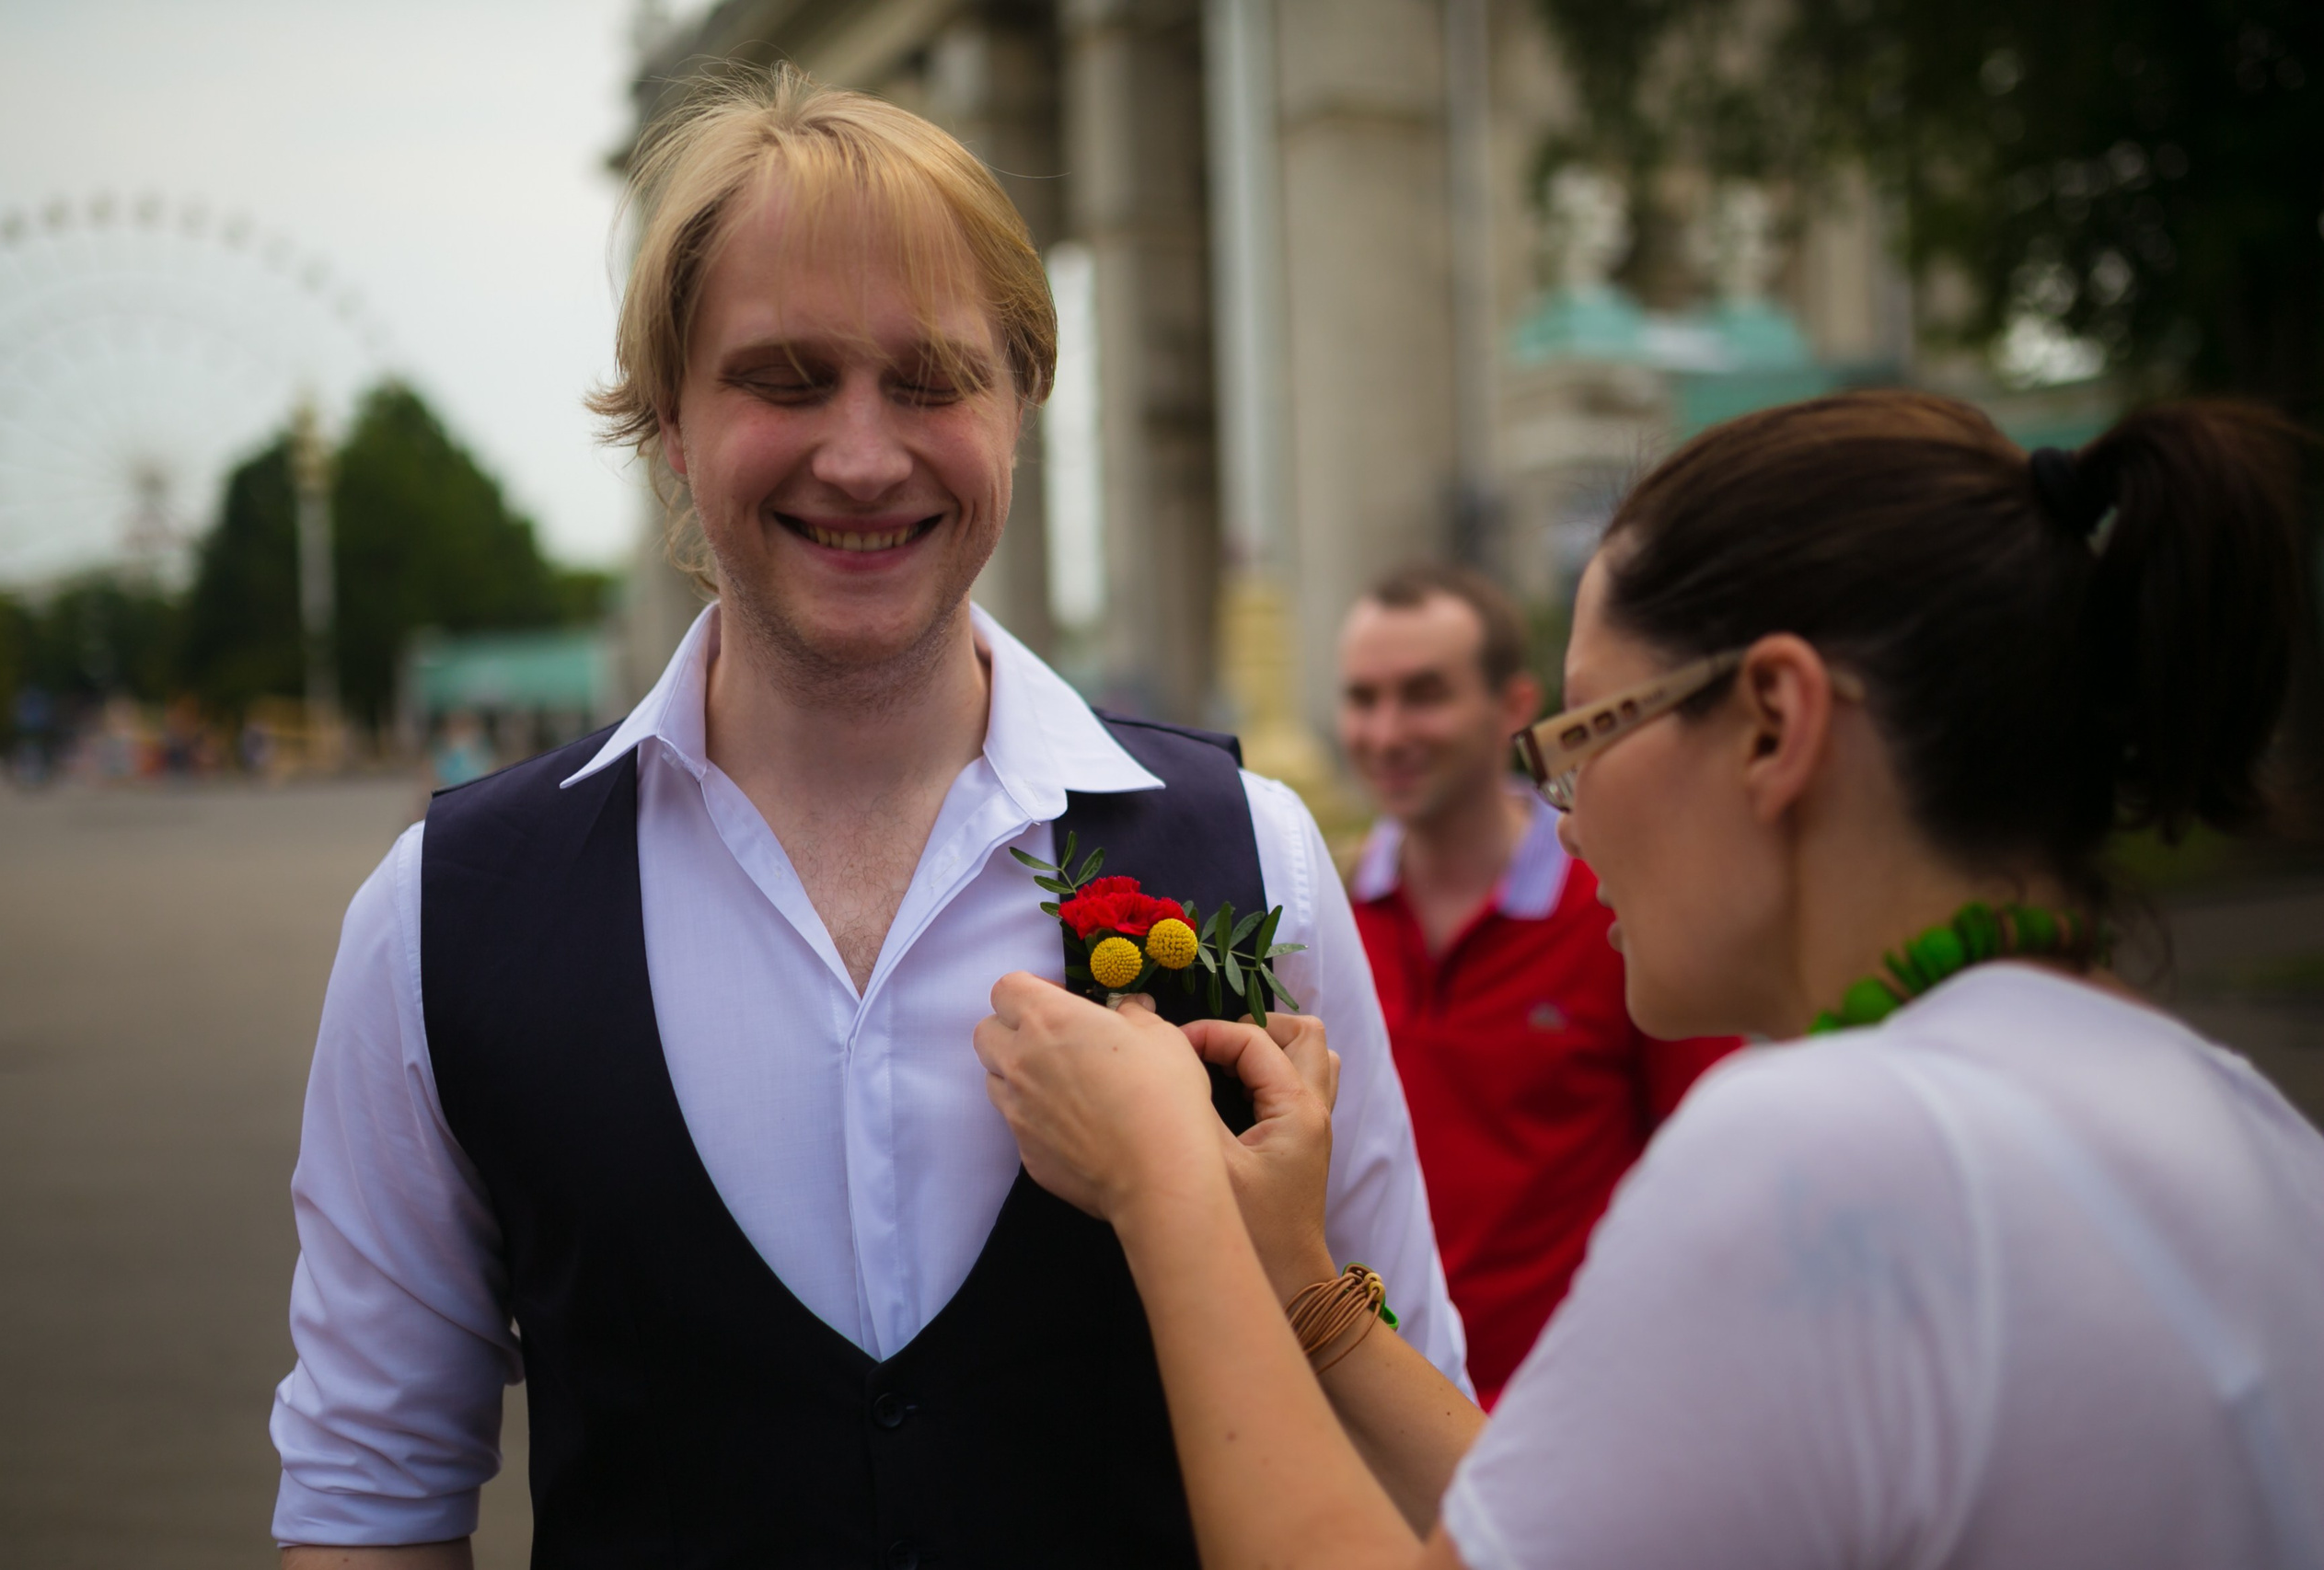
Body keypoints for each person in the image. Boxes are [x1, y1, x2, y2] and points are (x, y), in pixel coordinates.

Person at [271, 68, 1463, 1568]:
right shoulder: (444, 915)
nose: (859, 453)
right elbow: (372, 1487)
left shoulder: (1254, 854)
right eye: (782, 378)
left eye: (929, 380)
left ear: (1020, 405)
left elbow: (1410, 1417)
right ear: (666, 424)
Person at [975, 390, 2324, 1568]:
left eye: (1584, 734)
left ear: (1775, 724)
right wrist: (1302, 1277)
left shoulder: (1826, 1145)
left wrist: (1163, 1179)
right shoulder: (2232, 1107)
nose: (1569, 818)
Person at [1339, 563, 1741, 1403]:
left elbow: (1714, 1179)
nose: (1386, 731)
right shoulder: (1321, 914)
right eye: (1363, 698)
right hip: (1381, 1418)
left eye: (1423, 694)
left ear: (1514, 708)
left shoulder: (1617, 910)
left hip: (1577, 1419)